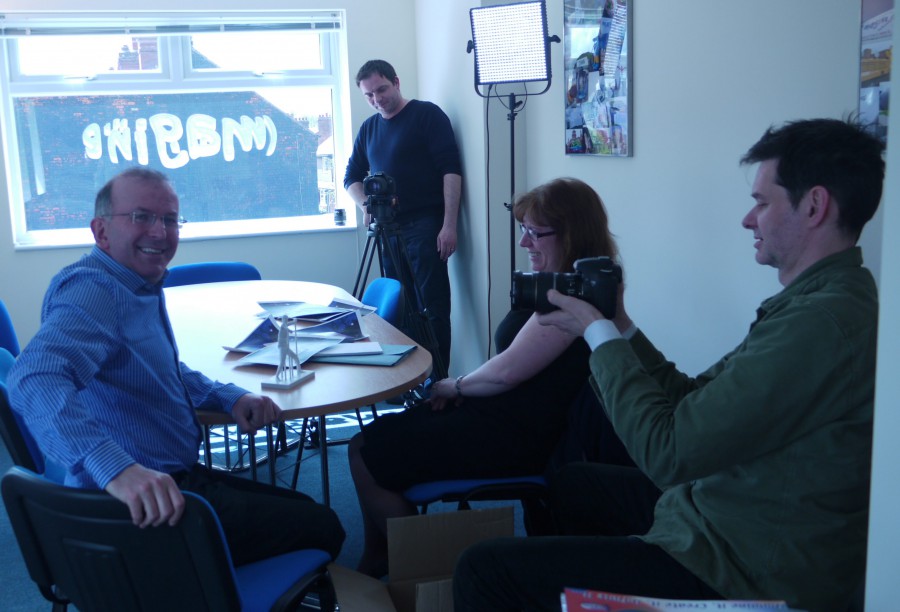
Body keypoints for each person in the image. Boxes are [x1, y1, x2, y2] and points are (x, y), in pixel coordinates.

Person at [452, 118, 884, 612]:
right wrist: (618, 324)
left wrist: (597, 335)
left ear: (814, 206)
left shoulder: (822, 323)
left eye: (762, 202)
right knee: (575, 485)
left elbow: (668, 453)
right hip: (719, 511)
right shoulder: (815, 303)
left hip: (738, 566)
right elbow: (691, 398)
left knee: (482, 571)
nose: (748, 219)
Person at [7, 167, 345, 566]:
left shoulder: (136, 284)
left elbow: (159, 369)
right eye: (141, 217)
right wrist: (117, 469)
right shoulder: (95, 289)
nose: (160, 232)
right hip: (137, 510)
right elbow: (33, 377)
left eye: (169, 219)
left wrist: (228, 396)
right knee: (323, 526)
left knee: (302, 506)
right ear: (101, 231)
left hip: (171, 478)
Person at [347, 177, 619, 577]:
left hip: (519, 435)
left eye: (535, 233)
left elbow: (507, 372)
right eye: (523, 230)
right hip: (502, 412)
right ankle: (382, 554)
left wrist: (456, 385)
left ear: (572, 234)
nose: (525, 243)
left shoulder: (573, 301)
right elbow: (512, 364)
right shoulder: (561, 285)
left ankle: (422, 571)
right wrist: (463, 387)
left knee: (365, 452)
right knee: (372, 439)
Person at [344, 59, 462, 376]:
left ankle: (437, 382)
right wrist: (366, 205)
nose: (377, 99)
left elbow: (451, 170)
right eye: (369, 95)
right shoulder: (369, 128)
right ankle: (405, 379)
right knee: (399, 308)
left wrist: (449, 225)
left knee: (432, 308)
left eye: (381, 89)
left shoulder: (426, 115)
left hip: (426, 227)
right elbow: (351, 177)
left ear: (396, 82)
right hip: (387, 231)